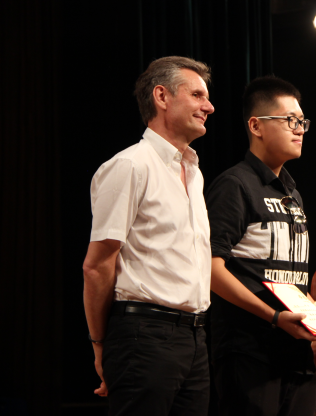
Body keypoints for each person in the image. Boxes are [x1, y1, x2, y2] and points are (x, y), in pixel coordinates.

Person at [206, 75, 316, 416]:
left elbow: (291, 279)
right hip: (249, 352)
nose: (300, 129)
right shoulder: (234, 185)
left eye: (302, 122)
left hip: (296, 352)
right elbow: (211, 270)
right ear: (256, 125)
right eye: (290, 120)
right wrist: (274, 317)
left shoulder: (292, 192)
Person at [83, 56, 215, 416]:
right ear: (162, 96)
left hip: (195, 337)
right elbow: (97, 266)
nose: (209, 107)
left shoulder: (194, 171)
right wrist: (100, 345)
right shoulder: (130, 165)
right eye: (197, 95)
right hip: (143, 335)